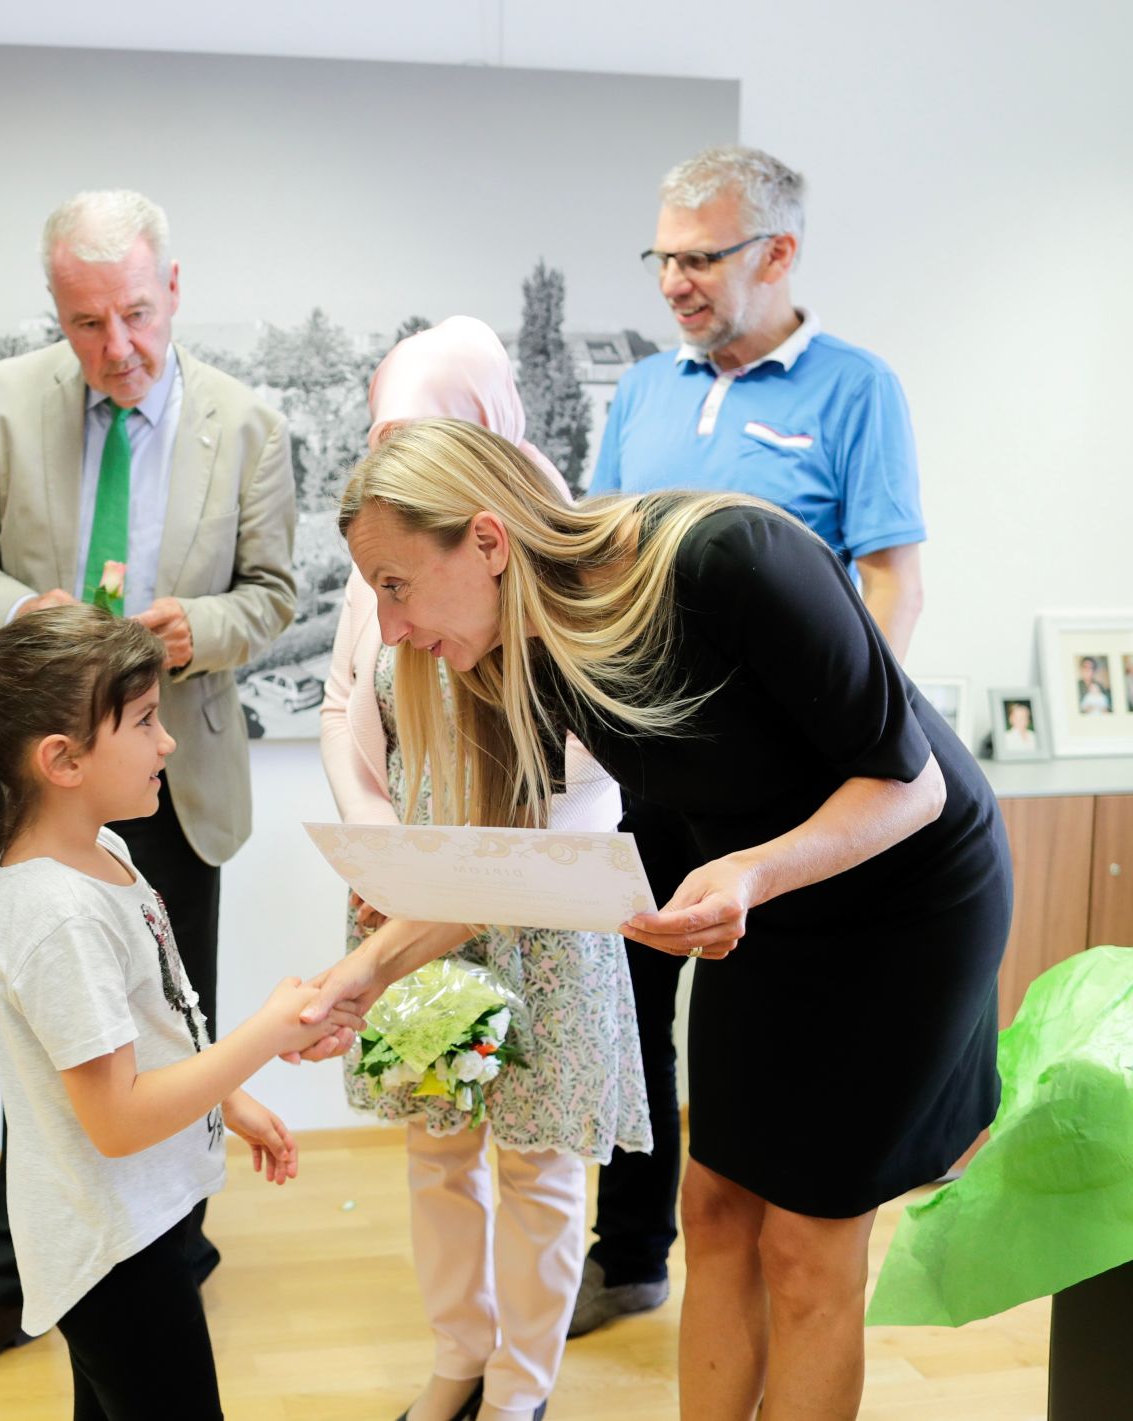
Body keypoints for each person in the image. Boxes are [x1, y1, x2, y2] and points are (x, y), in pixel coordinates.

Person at [308, 418, 1010, 1421]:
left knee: (806, 1249)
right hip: (756, 900)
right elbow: (505, 868)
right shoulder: (517, 645)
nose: (386, 626)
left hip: (901, 901)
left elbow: (910, 788)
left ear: (487, 540)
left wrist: (750, 875)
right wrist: (361, 976)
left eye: (393, 584)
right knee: (715, 1210)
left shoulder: (729, 560)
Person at [0, 189, 297, 1379]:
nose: (116, 346)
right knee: (64, 1040)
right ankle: (15, 1280)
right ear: (56, 314)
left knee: (164, 1020)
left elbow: (276, 596)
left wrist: (200, 631)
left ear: (172, 291)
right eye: (86, 324)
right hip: (48, 767)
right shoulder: (7, 402)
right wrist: (20, 618)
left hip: (163, 775)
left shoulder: (248, 422)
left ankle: (164, 1253)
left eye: (134, 314)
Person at [578, 145, 929, 1335]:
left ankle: (777, 1228)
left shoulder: (852, 388)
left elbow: (891, 580)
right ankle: (628, 1250)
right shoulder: (642, 392)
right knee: (631, 1004)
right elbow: (594, 567)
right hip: (651, 770)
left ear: (776, 253)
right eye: (661, 257)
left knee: (760, 1019)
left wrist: (855, 736)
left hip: (786, 788)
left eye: (698, 257)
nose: (672, 281)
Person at [0, 607, 355, 1421]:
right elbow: (113, 1118)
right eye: (146, 720)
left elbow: (154, 1020)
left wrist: (228, 1097)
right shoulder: (57, 912)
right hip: (112, 1246)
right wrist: (265, 1035)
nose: (169, 742)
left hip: (136, 1219)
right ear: (63, 760)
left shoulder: (104, 851)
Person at [320, 318, 648, 1421]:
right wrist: (376, 842)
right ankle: (458, 1356)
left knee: (541, 1166)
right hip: (411, 895)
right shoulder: (384, 558)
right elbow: (342, 717)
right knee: (435, 1142)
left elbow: (587, 790)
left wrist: (423, 892)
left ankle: (520, 1386)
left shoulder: (569, 581)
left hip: (539, 903)